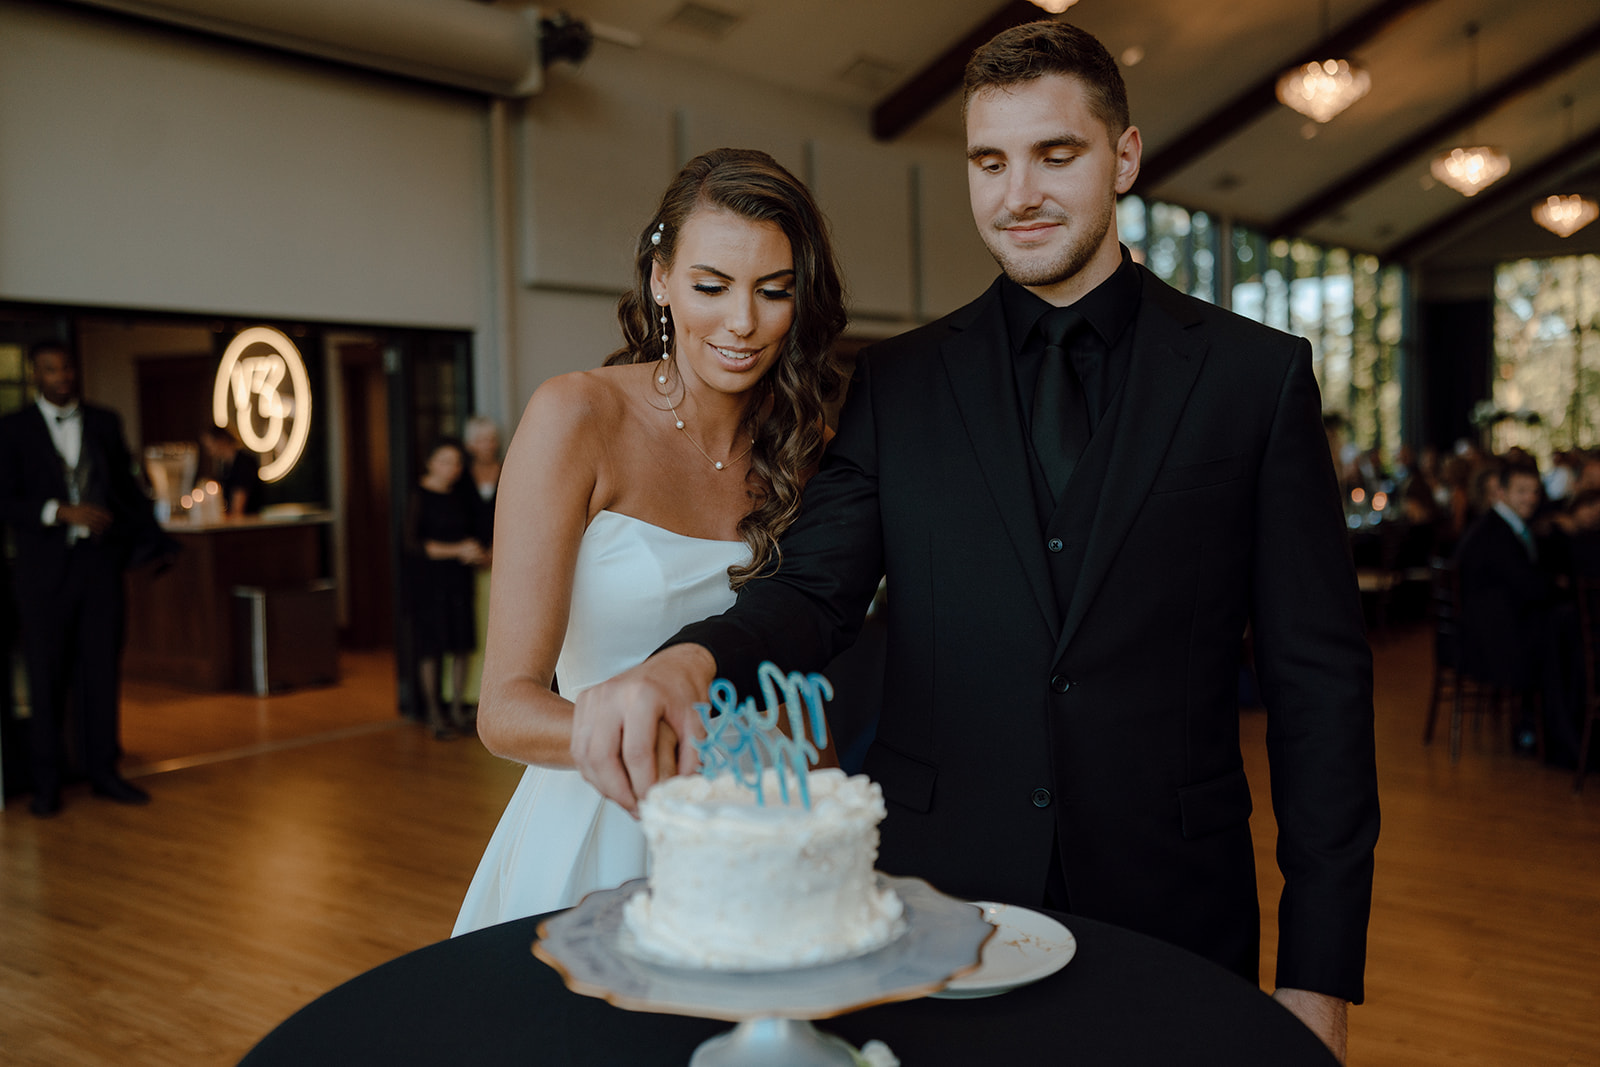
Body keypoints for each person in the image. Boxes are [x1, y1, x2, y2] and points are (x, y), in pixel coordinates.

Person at [569, 21, 1379, 1061]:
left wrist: (1318, 968)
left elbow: (1319, 685)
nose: (1018, 193)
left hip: (1174, 899)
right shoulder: (897, 385)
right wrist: (685, 662)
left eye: (1056, 154)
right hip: (937, 897)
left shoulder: (1251, 378)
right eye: (989, 162)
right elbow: (812, 590)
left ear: (1122, 159)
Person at [451, 147, 848, 934]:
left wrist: (832, 822)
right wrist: (673, 746)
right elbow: (504, 710)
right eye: (711, 286)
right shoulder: (577, 416)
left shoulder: (811, 444)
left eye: (774, 292)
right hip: (604, 826)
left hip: (765, 826)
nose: (742, 322)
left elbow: (799, 656)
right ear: (660, 278)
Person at [0, 340, 177, 816]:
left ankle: (104, 771)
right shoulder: (12, 430)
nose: (62, 377)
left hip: (99, 568)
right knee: (46, 676)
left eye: (67, 369)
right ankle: (46, 784)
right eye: (51, 369)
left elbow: (126, 488)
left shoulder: (104, 422)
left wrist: (149, 538)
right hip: (43, 575)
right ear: (36, 375)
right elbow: (4, 500)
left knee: (101, 671)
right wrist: (56, 511)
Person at [405, 439, 487, 739]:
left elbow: (472, 529)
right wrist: (457, 551)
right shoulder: (419, 495)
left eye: (456, 462)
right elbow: (412, 544)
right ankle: (435, 715)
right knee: (432, 647)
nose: (453, 468)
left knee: (462, 644)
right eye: (446, 461)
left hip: (458, 579)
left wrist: (475, 550)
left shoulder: (459, 495)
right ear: (431, 463)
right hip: (430, 581)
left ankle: (456, 709)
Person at [199, 424, 262, 517]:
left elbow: (238, 509)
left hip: (251, 522)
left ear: (220, 441)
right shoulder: (225, 467)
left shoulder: (244, 462)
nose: (210, 452)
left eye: (210, 447)